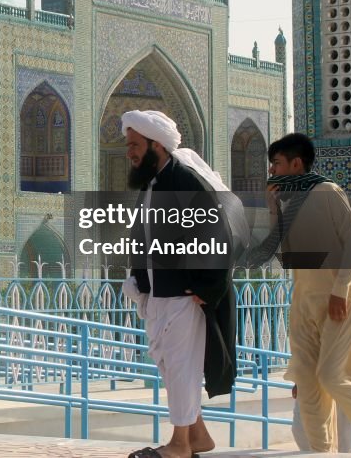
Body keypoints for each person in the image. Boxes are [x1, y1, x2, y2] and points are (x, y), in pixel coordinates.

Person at [267, 133, 351, 453]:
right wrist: (273, 210)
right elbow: (285, 255)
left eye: (277, 165)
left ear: (297, 164)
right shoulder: (289, 203)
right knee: (308, 386)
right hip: (304, 303)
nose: (272, 172)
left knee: (332, 376)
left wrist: (340, 290)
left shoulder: (326, 191)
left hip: (340, 300)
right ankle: (321, 451)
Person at [120, 110, 236, 458]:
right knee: (170, 365)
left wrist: (207, 286)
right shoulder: (153, 186)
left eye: (136, 145)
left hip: (185, 296)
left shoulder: (185, 181)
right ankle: (198, 435)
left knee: (182, 365)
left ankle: (180, 444)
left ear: (157, 145)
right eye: (129, 146)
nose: (130, 152)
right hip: (159, 293)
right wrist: (140, 280)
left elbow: (219, 234)